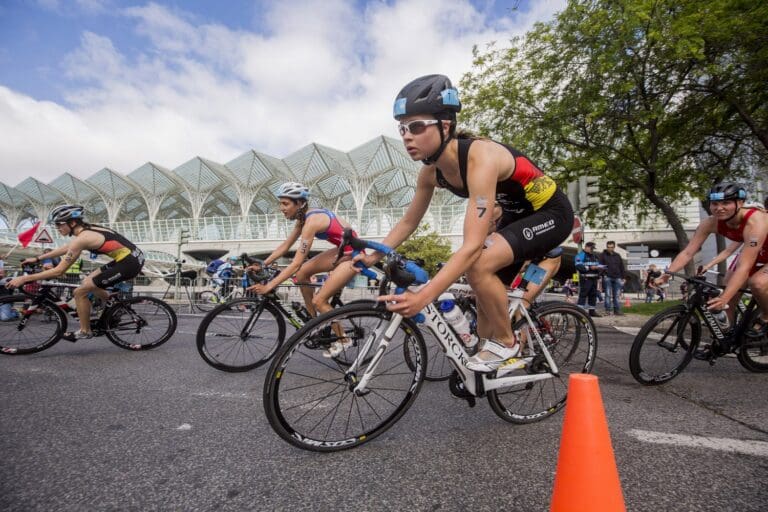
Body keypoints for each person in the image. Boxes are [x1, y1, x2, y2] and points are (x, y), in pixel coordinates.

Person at [352, 74, 574, 372]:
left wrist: (426, 296)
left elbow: (471, 247)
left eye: (416, 127)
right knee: (483, 322)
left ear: (446, 126)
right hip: (514, 217)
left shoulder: (480, 156)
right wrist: (374, 254)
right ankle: (494, 354)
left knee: (477, 265)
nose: (406, 136)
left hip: (551, 214)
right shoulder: (430, 173)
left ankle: (509, 343)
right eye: (402, 128)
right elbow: (408, 222)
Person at [246, 182, 363, 358]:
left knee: (319, 300)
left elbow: (295, 263)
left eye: (285, 204)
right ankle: (314, 322)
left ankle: (343, 338)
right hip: (341, 251)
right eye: (280, 203)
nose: (281, 208)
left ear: (300, 204)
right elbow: (285, 246)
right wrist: (263, 264)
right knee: (302, 275)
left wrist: (270, 286)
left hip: (353, 255)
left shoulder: (311, 222)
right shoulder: (303, 219)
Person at [657, 182, 768, 355]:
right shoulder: (710, 223)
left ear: (740, 203)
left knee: (758, 283)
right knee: (728, 290)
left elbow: (745, 266)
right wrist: (666, 274)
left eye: (726, 203)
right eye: (715, 204)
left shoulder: (756, 221)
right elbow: (687, 252)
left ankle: (766, 317)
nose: (719, 208)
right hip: (755, 254)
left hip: (761, 255)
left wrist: (724, 297)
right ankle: (725, 340)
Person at [5, 205, 145, 341]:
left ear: (72, 223)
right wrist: (37, 258)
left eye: (59, 224)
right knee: (87, 282)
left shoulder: (82, 238)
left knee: (80, 292)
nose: (57, 228)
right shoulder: (87, 230)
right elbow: (67, 247)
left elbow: (59, 271)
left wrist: (24, 279)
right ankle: (114, 306)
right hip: (130, 258)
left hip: (128, 264)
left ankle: (85, 331)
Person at [575, 242, 603, 317]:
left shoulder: (594, 256)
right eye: (591, 248)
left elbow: (598, 265)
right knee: (583, 295)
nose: (592, 250)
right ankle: (579, 312)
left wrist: (599, 269)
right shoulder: (580, 255)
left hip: (594, 279)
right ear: (586, 247)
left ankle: (592, 311)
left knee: (593, 295)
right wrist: (589, 268)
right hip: (586, 279)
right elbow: (578, 266)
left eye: (593, 249)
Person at [599, 241, 625, 315]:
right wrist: (603, 274)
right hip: (608, 277)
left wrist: (623, 277)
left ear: (614, 247)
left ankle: (617, 310)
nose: (610, 248)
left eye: (611, 247)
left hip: (617, 277)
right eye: (608, 247)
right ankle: (607, 310)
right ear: (606, 247)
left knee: (616, 295)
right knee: (608, 294)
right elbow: (600, 266)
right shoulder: (602, 255)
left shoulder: (617, 255)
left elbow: (621, 266)